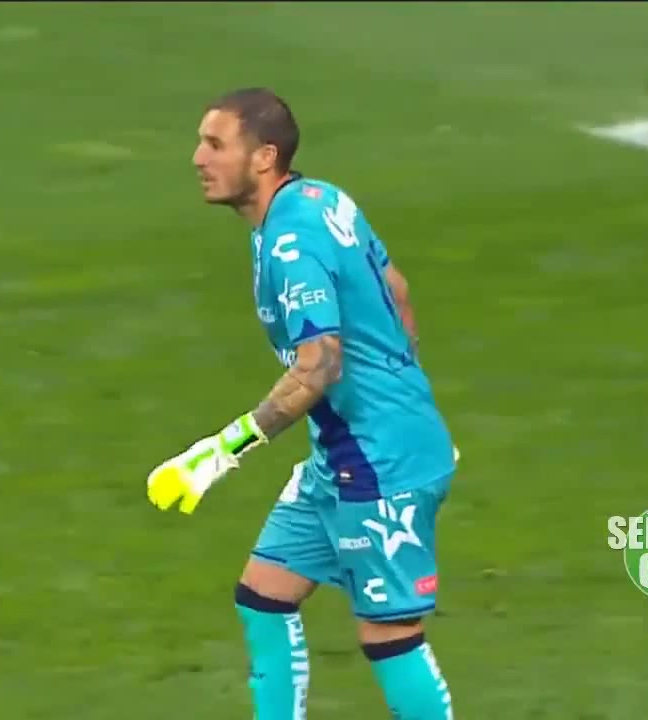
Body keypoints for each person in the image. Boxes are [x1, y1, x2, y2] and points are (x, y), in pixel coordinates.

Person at [147, 88, 457, 720]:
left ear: (263, 157)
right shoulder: (320, 198)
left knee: (390, 635)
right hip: (345, 455)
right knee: (263, 595)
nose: (198, 158)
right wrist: (399, 390)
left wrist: (221, 450)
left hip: (381, 465)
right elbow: (396, 289)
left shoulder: (292, 243)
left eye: (215, 145)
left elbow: (319, 366)